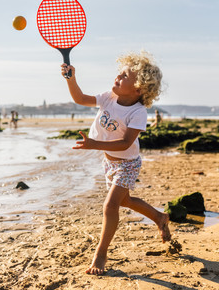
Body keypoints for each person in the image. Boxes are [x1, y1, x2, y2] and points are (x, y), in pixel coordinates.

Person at [61, 50, 171, 276]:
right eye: (118, 74)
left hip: (127, 164)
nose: (116, 78)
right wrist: (71, 79)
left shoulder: (138, 112)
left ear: (139, 88)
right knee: (125, 201)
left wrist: (93, 144)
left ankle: (101, 254)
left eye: (123, 77)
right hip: (109, 162)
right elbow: (80, 99)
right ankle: (159, 217)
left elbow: (124, 143)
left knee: (110, 206)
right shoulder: (108, 97)